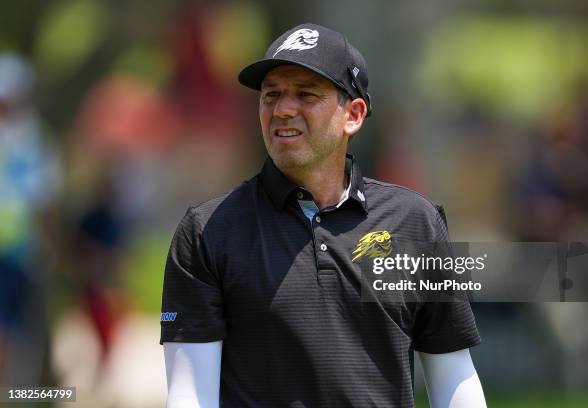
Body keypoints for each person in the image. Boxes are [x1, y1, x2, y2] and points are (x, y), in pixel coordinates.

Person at [161, 23, 487, 407]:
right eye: (271, 95)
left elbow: (453, 374)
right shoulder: (207, 232)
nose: (282, 109)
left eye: (306, 94)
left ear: (353, 114)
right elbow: (191, 396)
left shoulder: (416, 222)